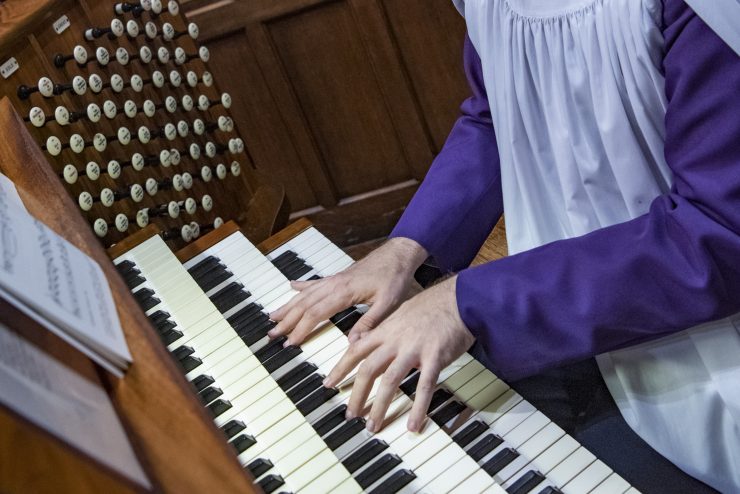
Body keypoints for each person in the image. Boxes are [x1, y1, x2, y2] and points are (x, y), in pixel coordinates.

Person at [268, 0, 740, 491]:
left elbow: (720, 231)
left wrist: (466, 302)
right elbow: (503, 117)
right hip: (557, 300)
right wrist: (406, 248)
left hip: (702, 338)